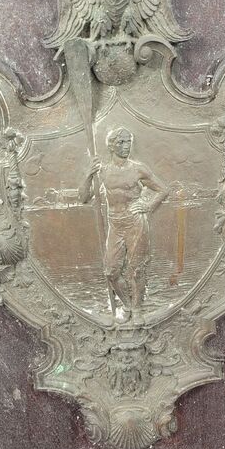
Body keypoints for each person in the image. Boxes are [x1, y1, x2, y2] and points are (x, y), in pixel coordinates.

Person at [79, 127, 168, 312]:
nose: (126, 146)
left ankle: (137, 309)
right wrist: (88, 174)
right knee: (111, 271)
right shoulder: (102, 171)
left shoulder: (138, 169)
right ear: (111, 146)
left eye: (128, 142)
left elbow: (163, 190)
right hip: (115, 224)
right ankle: (127, 305)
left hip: (136, 223)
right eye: (121, 142)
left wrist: (148, 206)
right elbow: (84, 197)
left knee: (137, 270)